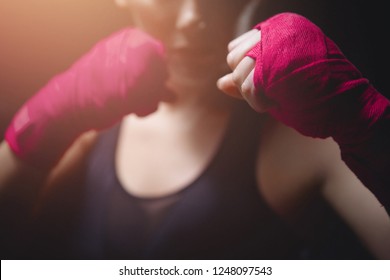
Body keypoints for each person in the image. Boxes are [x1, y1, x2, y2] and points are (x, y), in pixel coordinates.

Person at [1, 0, 389, 259]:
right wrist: (46, 117)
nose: (194, 18)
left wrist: (366, 123)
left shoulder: (298, 138)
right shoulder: (90, 117)